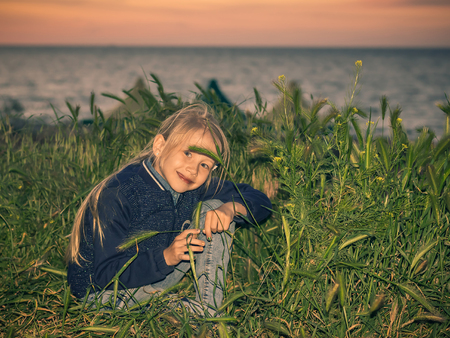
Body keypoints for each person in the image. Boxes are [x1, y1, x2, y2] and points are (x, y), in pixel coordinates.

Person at [65, 103, 272, 316]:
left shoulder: (196, 185)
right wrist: (165, 257)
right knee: (167, 306)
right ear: (160, 146)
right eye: (188, 153)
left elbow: (261, 201)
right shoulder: (119, 193)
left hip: (158, 278)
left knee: (216, 208)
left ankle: (208, 306)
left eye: (205, 165)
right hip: (103, 294)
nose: (193, 169)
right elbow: (104, 274)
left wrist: (231, 209)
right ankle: (200, 315)